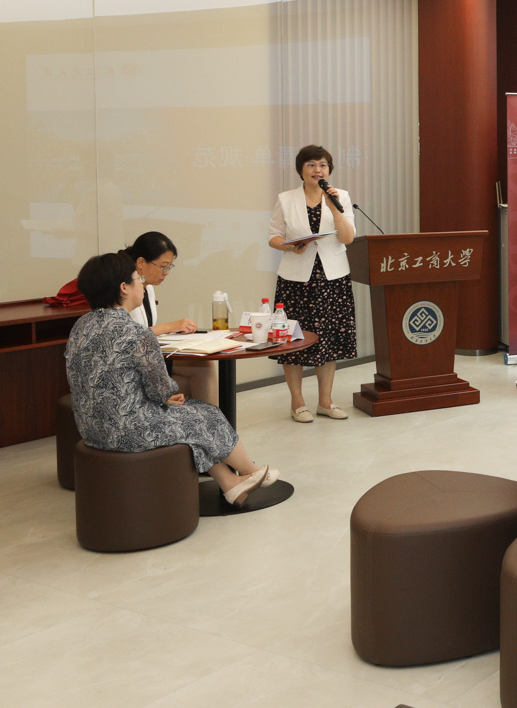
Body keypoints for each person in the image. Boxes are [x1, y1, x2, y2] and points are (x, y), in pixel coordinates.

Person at [65, 251, 275, 507]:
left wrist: (163, 398)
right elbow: (159, 389)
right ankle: (252, 471)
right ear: (124, 287)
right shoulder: (136, 332)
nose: (142, 284)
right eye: (137, 278)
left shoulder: (80, 327)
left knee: (187, 421)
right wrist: (167, 395)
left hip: (91, 428)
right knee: (206, 413)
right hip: (128, 430)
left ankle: (230, 484)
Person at [267, 144, 356, 423]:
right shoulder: (286, 199)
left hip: (333, 278)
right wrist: (289, 246)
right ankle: (297, 402)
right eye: (311, 165)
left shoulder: (340, 196)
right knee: (293, 341)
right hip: (296, 280)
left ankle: (325, 402)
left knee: (329, 340)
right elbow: (273, 236)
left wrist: (335, 209)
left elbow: (347, 238)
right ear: (301, 170)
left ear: (329, 170)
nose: (318, 170)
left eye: (323, 165)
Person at [125, 230, 216, 406]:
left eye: (169, 267)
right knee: (202, 371)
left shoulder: (148, 288)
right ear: (141, 262)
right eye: (163, 266)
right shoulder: (125, 291)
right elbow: (131, 337)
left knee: (204, 367)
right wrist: (170, 326)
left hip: (149, 359)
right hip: (133, 365)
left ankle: (209, 420)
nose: (166, 272)